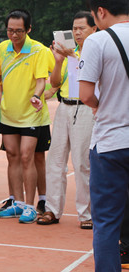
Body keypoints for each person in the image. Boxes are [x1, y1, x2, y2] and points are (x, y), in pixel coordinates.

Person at [0, 9, 52, 224]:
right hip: (9, 113)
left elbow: (41, 81)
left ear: (28, 29)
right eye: (10, 30)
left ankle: (30, 205)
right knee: (12, 155)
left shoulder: (38, 50)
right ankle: (17, 203)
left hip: (31, 114)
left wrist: (36, 97)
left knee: (28, 156)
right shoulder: (3, 48)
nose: (14, 35)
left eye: (19, 31)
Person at [79, 0, 129, 271]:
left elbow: (86, 95)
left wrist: (103, 103)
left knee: (107, 222)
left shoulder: (97, 41)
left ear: (100, 12)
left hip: (111, 142)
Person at [37, 11, 96, 228]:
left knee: (82, 163)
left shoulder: (95, 52)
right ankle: (52, 210)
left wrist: (73, 56)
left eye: (82, 28)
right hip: (64, 107)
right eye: (74, 28)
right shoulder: (67, 53)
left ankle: (86, 214)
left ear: (94, 29)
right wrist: (59, 61)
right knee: (56, 160)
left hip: (86, 109)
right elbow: (54, 82)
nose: (77, 32)